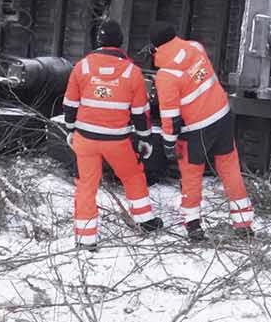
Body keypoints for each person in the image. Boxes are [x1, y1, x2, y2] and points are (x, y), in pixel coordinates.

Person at [147, 22, 254, 241]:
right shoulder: (196, 47)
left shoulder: (166, 76)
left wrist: (168, 143)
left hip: (196, 129)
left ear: (155, 47)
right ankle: (244, 224)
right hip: (222, 116)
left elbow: (170, 116)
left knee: (191, 176)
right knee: (230, 170)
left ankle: (194, 226)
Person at [62, 19, 161, 247]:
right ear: (120, 43)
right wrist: (145, 139)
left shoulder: (82, 67)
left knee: (86, 185)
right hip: (117, 141)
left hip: (85, 139)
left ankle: (86, 239)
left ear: (98, 41)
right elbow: (140, 113)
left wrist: (70, 129)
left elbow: (69, 104)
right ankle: (145, 221)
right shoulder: (132, 72)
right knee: (133, 176)